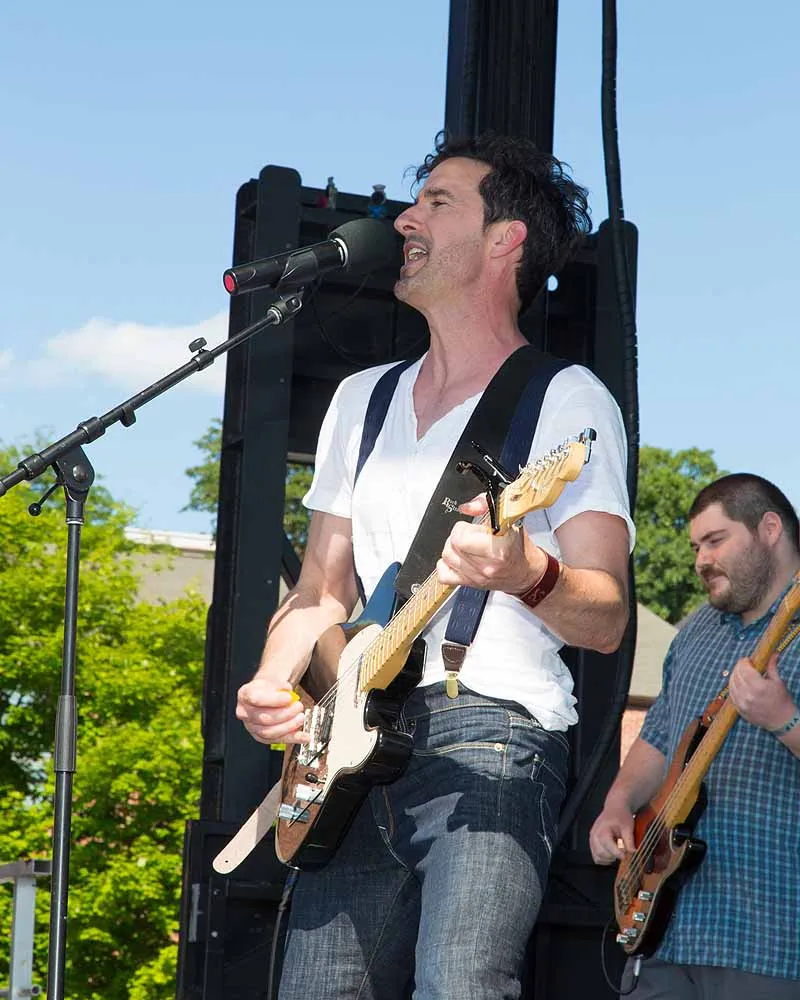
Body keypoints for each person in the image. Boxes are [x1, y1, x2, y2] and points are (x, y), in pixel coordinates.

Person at [236, 131, 634, 1000]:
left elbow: (607, 618)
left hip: (492, 735)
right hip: (352, 748)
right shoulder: (362, 398)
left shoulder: (564, 398)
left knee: (460, 985)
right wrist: (272, 679)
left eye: (437, 202)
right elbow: (320, 591)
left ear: (505, 239)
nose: (406, 220)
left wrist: (526, 572)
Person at [590, 473, 800, 998]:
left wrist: (784, 720)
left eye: (715, 540)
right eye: (695, 547)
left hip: (771, 939)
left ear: (769, 529)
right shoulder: (695, 632)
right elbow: (659, 737)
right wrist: (618, 803)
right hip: (667, 934)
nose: (701, 560)